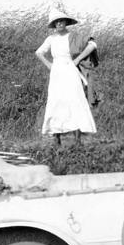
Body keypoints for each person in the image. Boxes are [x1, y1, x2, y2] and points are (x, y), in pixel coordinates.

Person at [35, 8, 98, 146]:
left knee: (75, 100)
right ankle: (57, 139)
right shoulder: (51, 39)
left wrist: (77, 60)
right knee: (56, 101)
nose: (59, 23)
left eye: (61, 21)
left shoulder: (74, 37)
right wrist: (49, 65)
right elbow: (39, 52)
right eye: (56, 22)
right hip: (57, 73)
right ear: (54, 24)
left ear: (66, 22)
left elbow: (92, 44)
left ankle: (77, 140)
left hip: (70, 71)